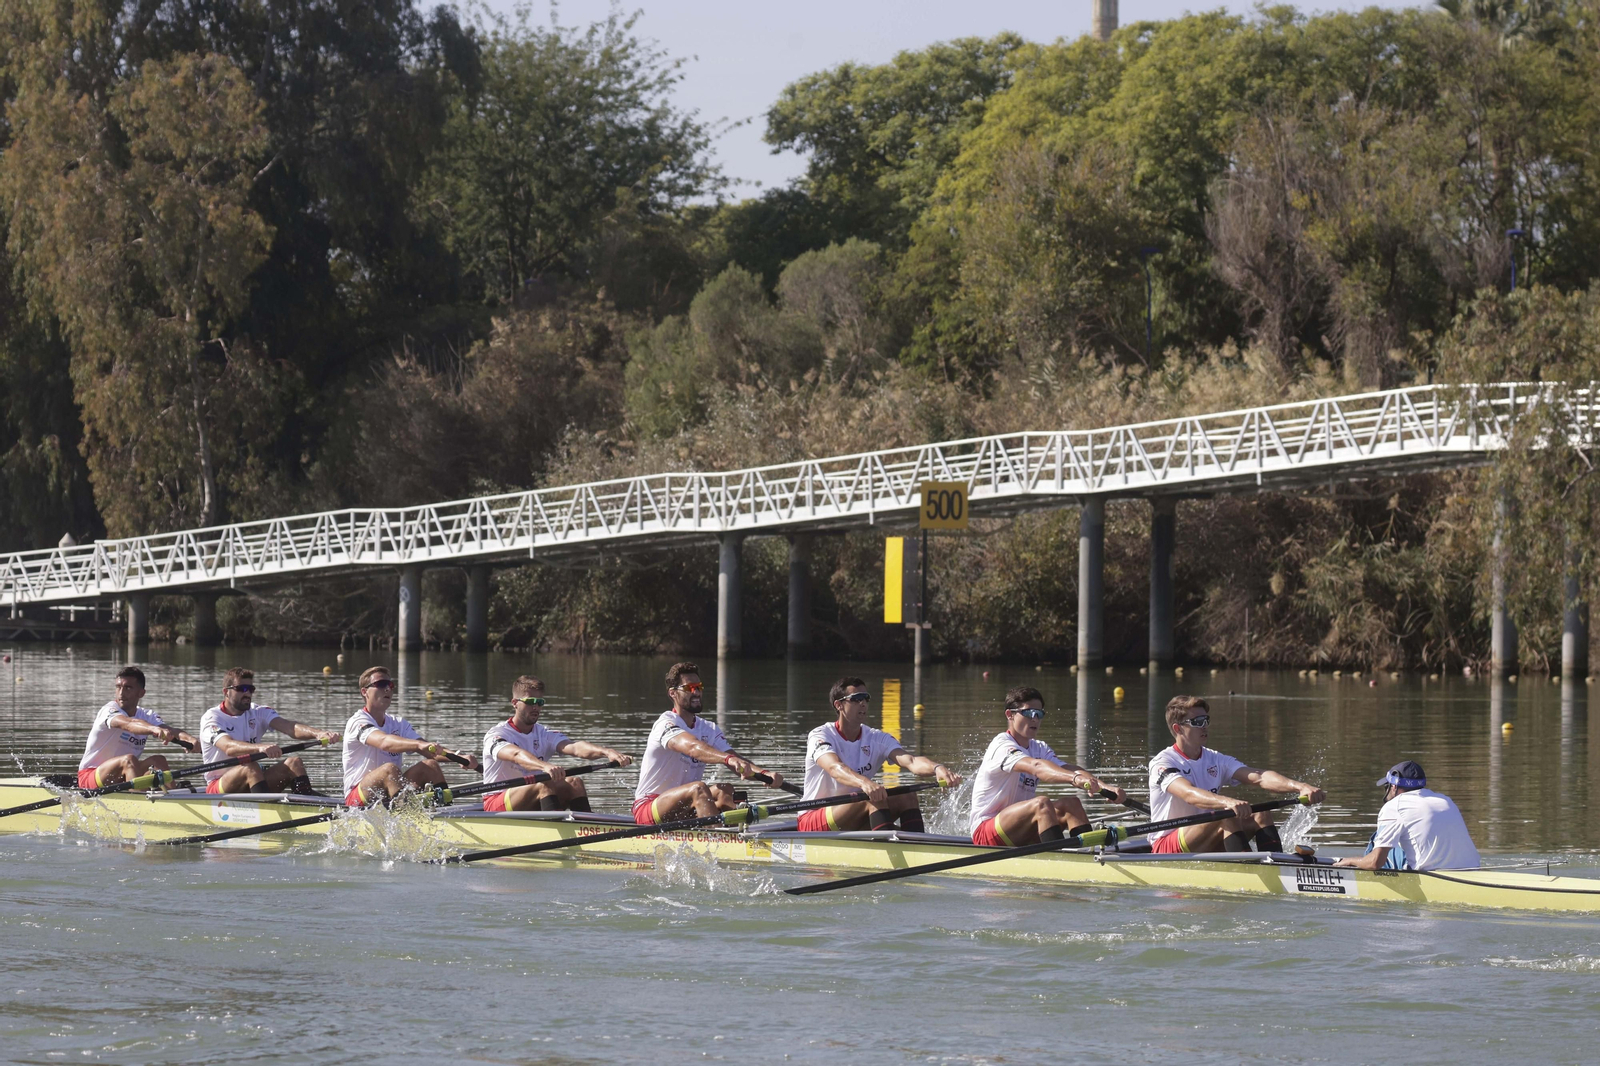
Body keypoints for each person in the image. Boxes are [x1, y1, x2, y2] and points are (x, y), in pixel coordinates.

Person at [1147, 695, 1324, 854]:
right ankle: (1249, 870)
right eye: (1197, 722)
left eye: (1206, 720)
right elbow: (1188, 794)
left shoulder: (1215, 759)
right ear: (1178, 729)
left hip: (1205, 834)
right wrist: (1227, 801)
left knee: (1261, 814)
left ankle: (1278, 865)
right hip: (1168, 844)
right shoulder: (1163, 763)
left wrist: (1300, 787)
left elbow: (1259, 776)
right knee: (1226, 814)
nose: (1205, 726)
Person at [968, 686, 1132, 847]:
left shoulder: (1039, 747)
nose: (1035, 719)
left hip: (1020, 826)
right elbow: (1037, 767)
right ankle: (1059, 860)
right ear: (1010, 715)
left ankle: (1090, 854)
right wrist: (1075, 779)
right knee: (1041, 804)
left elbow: (1067, 768)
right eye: (1029, 713)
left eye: (1039, 714)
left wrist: (1105, 787)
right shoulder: (1002, 746)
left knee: (1072, 804)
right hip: (986, 831)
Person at [798, 677, 959, 833]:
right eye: (856, 698)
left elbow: (911, 761)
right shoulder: (820, 735)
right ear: (839, 705)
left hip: (855, 810)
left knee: (907, 796)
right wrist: (864, 782)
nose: (863, 703)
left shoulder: (876, 738)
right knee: (871, 797)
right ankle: (888, 851)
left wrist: (937, 768)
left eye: (866, 698)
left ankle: (919, 846)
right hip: (813, 817)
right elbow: (834, 767)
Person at [632, 661, 785, 825]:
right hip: (649, 807)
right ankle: (717, 841)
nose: (696, 692)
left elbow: (735, 759)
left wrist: (764, 773)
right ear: (673, 693)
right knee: (698, 788)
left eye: (699, 686)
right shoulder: (666, 724)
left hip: (684, 807)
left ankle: (735, 837)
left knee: (724, 790)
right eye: (689, 688)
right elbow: (692, 747)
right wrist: (727, 759)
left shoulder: (709, 728)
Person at [479, 675, 632, 812]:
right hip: (497, 801)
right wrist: (544, 766)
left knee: (575, 782)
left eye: (540, 702)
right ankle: (554, 832)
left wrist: (606, 752)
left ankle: (588, 828)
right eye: (531, 702)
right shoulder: (497, 734)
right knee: (545, 782)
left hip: (533, 793)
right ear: (515, 703)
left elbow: (574, 747)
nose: (536, 707)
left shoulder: (544, 733)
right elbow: (516, 754)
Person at [342, 666, 479, 807]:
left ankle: (446, 812)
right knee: (389, 769)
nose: (388, 689)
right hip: (358, 797)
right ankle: (405, 815)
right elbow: (383, 741)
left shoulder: (399, 723)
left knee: (430, 765)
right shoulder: (357, 721)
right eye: (381, 684)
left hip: (389, 792)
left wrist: (458, 756)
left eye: (390, 685)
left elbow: (428, 750)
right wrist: (417, 745)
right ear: (365, 692)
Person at [199, 667, 339, 795]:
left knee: (294, 763)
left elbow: (289, 727)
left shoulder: (258, 712)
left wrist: (318, 733)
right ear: (226, 692)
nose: (247, 693)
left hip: (254, 779)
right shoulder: (212, 718)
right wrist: (260, 747)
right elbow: (228, 747)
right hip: (219, 786)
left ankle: (311, 807)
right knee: (250, 766)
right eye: (241, 688)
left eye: (250, 689)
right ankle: (265, 809)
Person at [1335, 760, 1480, 871]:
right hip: (1472, 869)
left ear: (1394, 786)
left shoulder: (1394, 806)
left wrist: (1351, 861)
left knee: (1377, 840)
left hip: (1431, 877)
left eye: (1387, 787)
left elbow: (1375, 863)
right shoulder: (1445, 800)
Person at [76, 666, 199, 790]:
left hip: (122, 775)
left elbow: (171, 731)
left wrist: (191, 740)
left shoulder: (147, 715)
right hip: (90, 776)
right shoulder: (109, 710)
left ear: (141, 693)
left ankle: (174, 798)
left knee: (158, 761)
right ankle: (139, 804)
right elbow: (128, 723)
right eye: (118, 687)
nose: (121, 693)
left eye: (128, 688)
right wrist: (153, 729)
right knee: (128, 760)